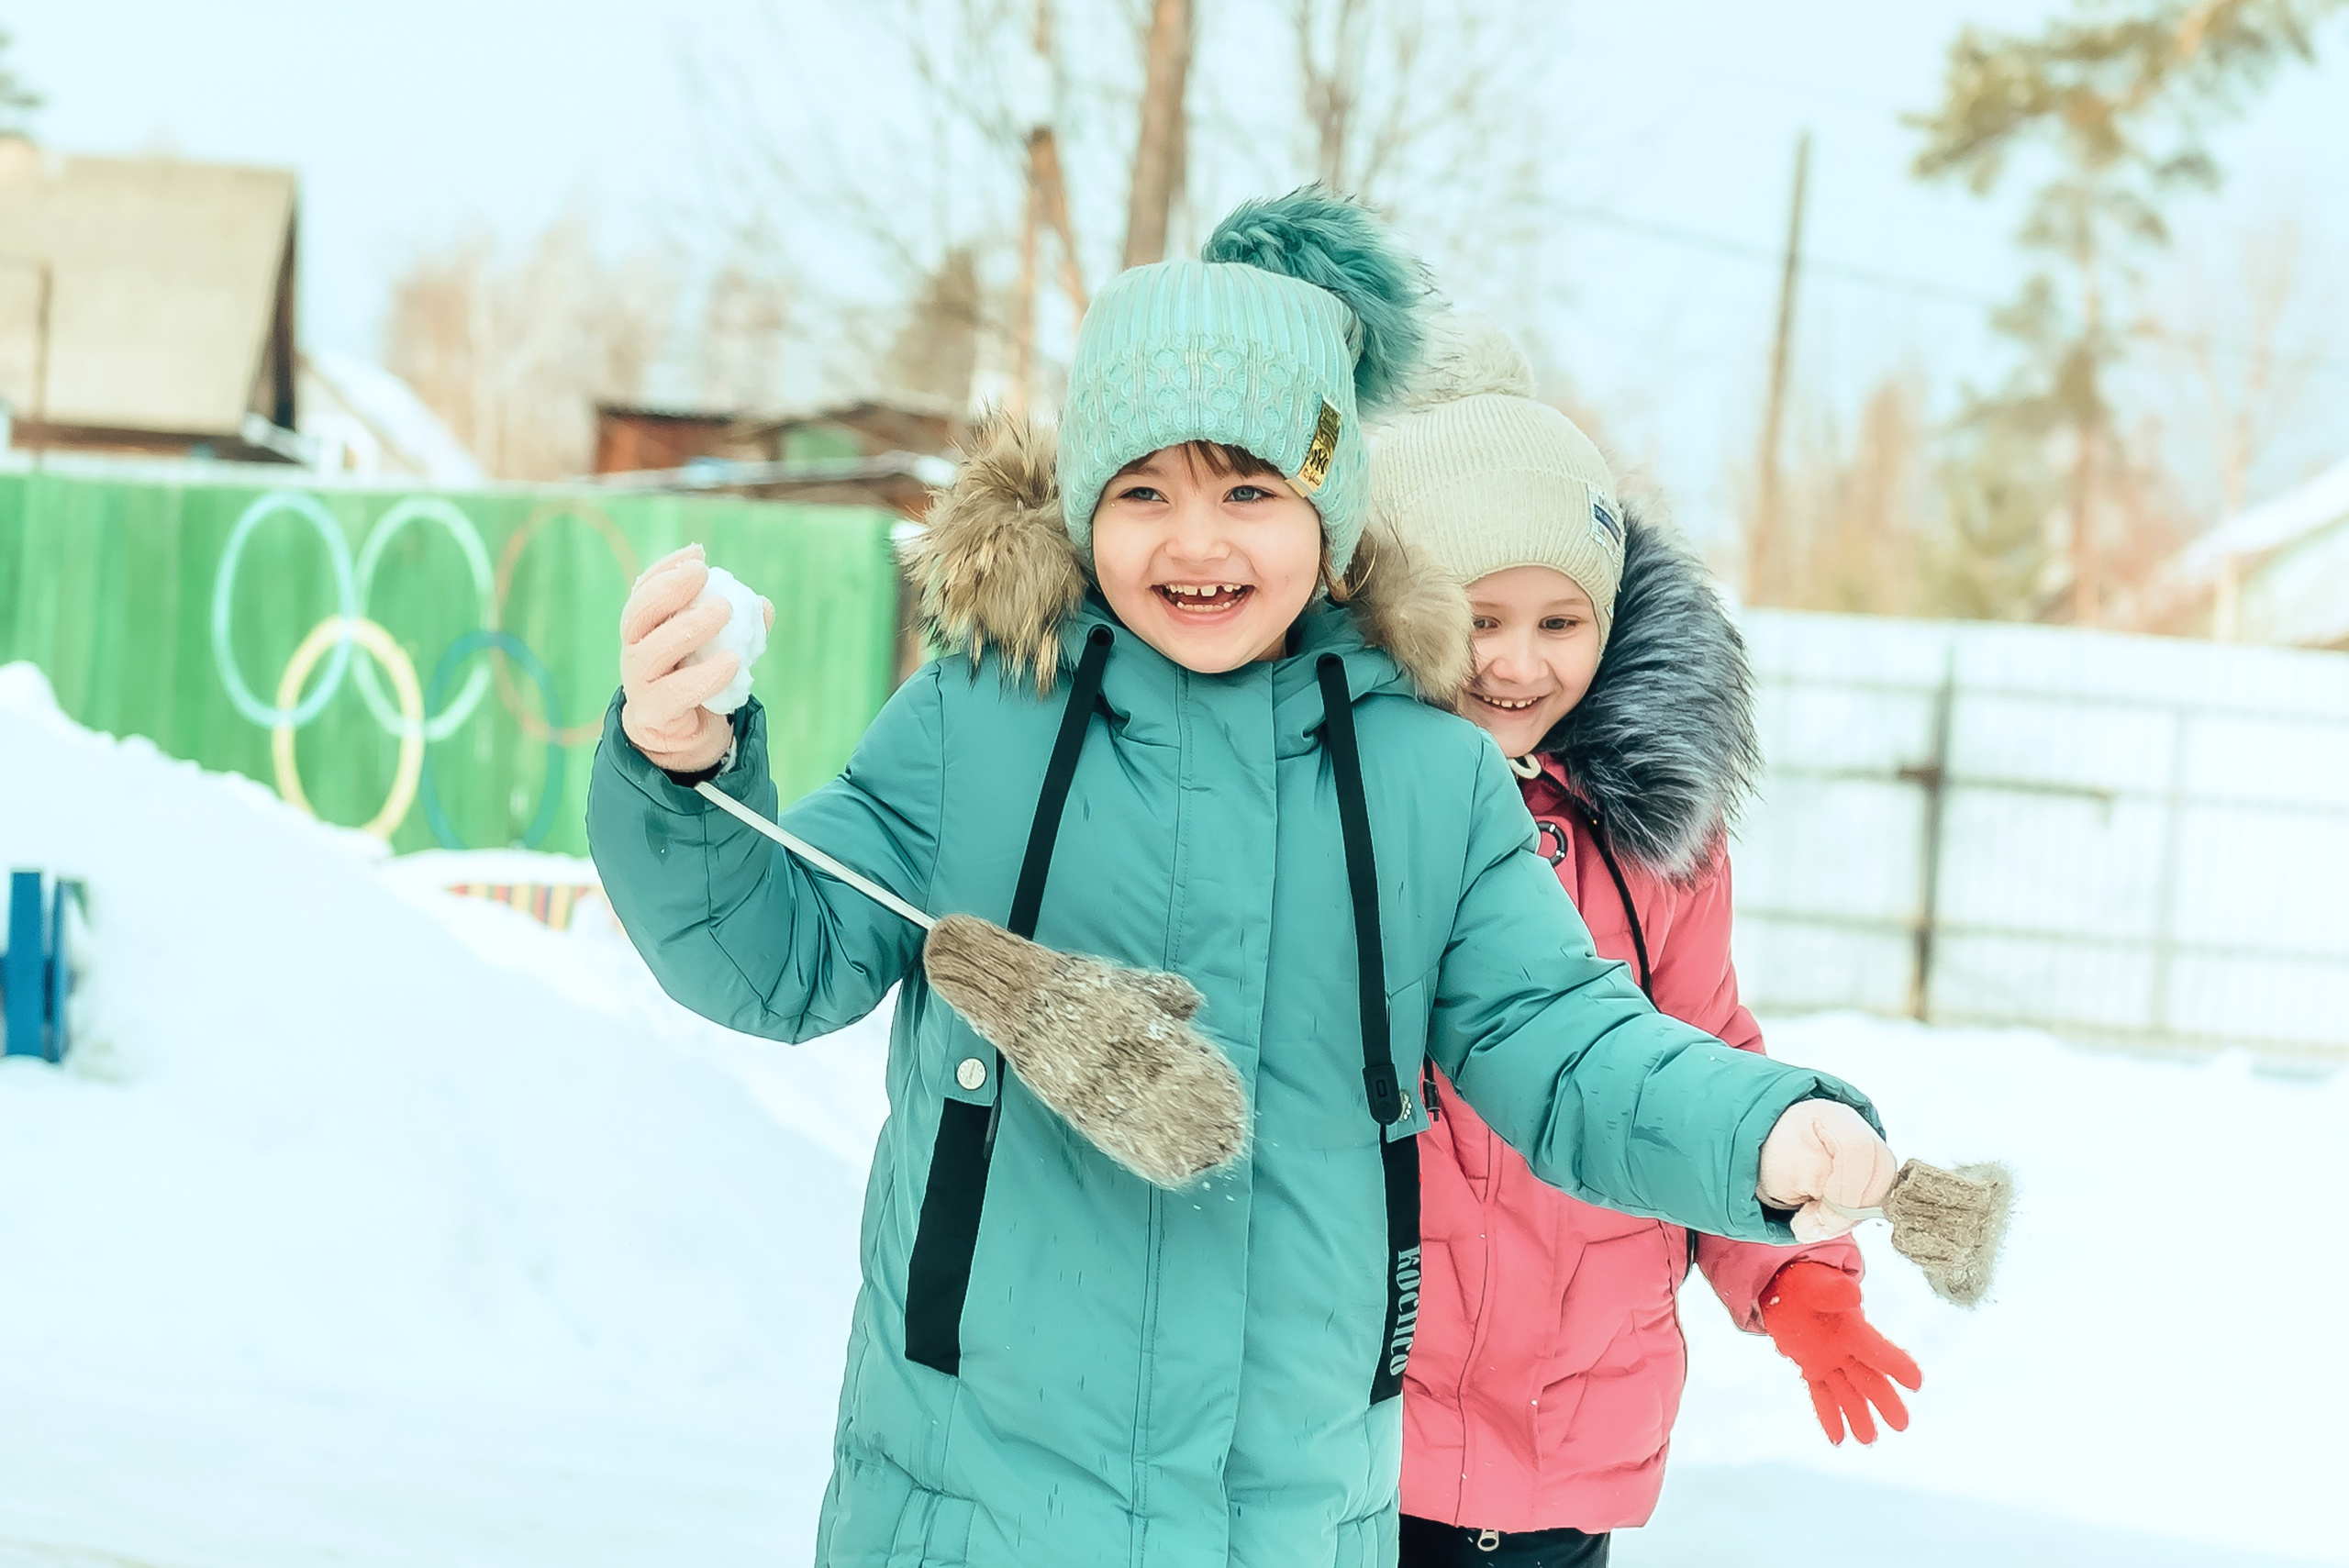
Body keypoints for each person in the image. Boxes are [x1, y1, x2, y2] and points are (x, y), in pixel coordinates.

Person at [585, 189, 1898, 1568]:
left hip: (1283, 1521)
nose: (1197, 543)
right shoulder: (983, 717)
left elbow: (1562, 1042)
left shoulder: (1423, 779)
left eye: (1250, 490)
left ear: (1328, 513)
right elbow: (781, 954)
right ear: (1088, 500)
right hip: (971, 1508)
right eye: (1145, 490)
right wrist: (685, 771)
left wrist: (1758, 1127)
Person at [1371, 319, 1923, 1568]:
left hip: (1577, 1421)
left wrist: (1801, 1275)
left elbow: (1704, 1055)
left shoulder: (1651, 839)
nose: (1515, 662)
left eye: (1558, 622)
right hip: (1376, 1425)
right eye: (1478, 619)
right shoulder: (1366, 811)